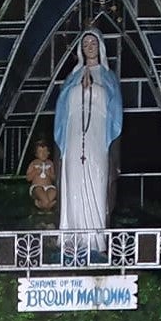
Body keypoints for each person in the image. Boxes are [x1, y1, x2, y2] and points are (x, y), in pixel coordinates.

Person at [53, 30, 123, 255]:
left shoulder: (108, 78)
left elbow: (115, 112)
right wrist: (77, 89)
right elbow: (63, 109)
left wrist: (93, 88)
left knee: (97, 181)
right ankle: (73, 239)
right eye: (86, 43)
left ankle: (96, 241)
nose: (90, 46)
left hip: (97, 138)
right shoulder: (72, 78)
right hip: (74, 137)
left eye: (94, 42)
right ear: (81, 49)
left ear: (100, 47)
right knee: (73, 181)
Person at [25, 140, 58, 212]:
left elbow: (54, 178)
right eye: (40, 152)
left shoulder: (50, 163)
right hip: (37, 186)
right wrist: (35, 172)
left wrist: (50, 174)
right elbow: (28, 178)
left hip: (48, 186)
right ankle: (46, 204)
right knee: (43, 196)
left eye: (45, 151)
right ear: (36, 154)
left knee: (53, 191)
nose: (43, 154)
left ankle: (43, 205)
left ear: (48, 153)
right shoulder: (33, 163)